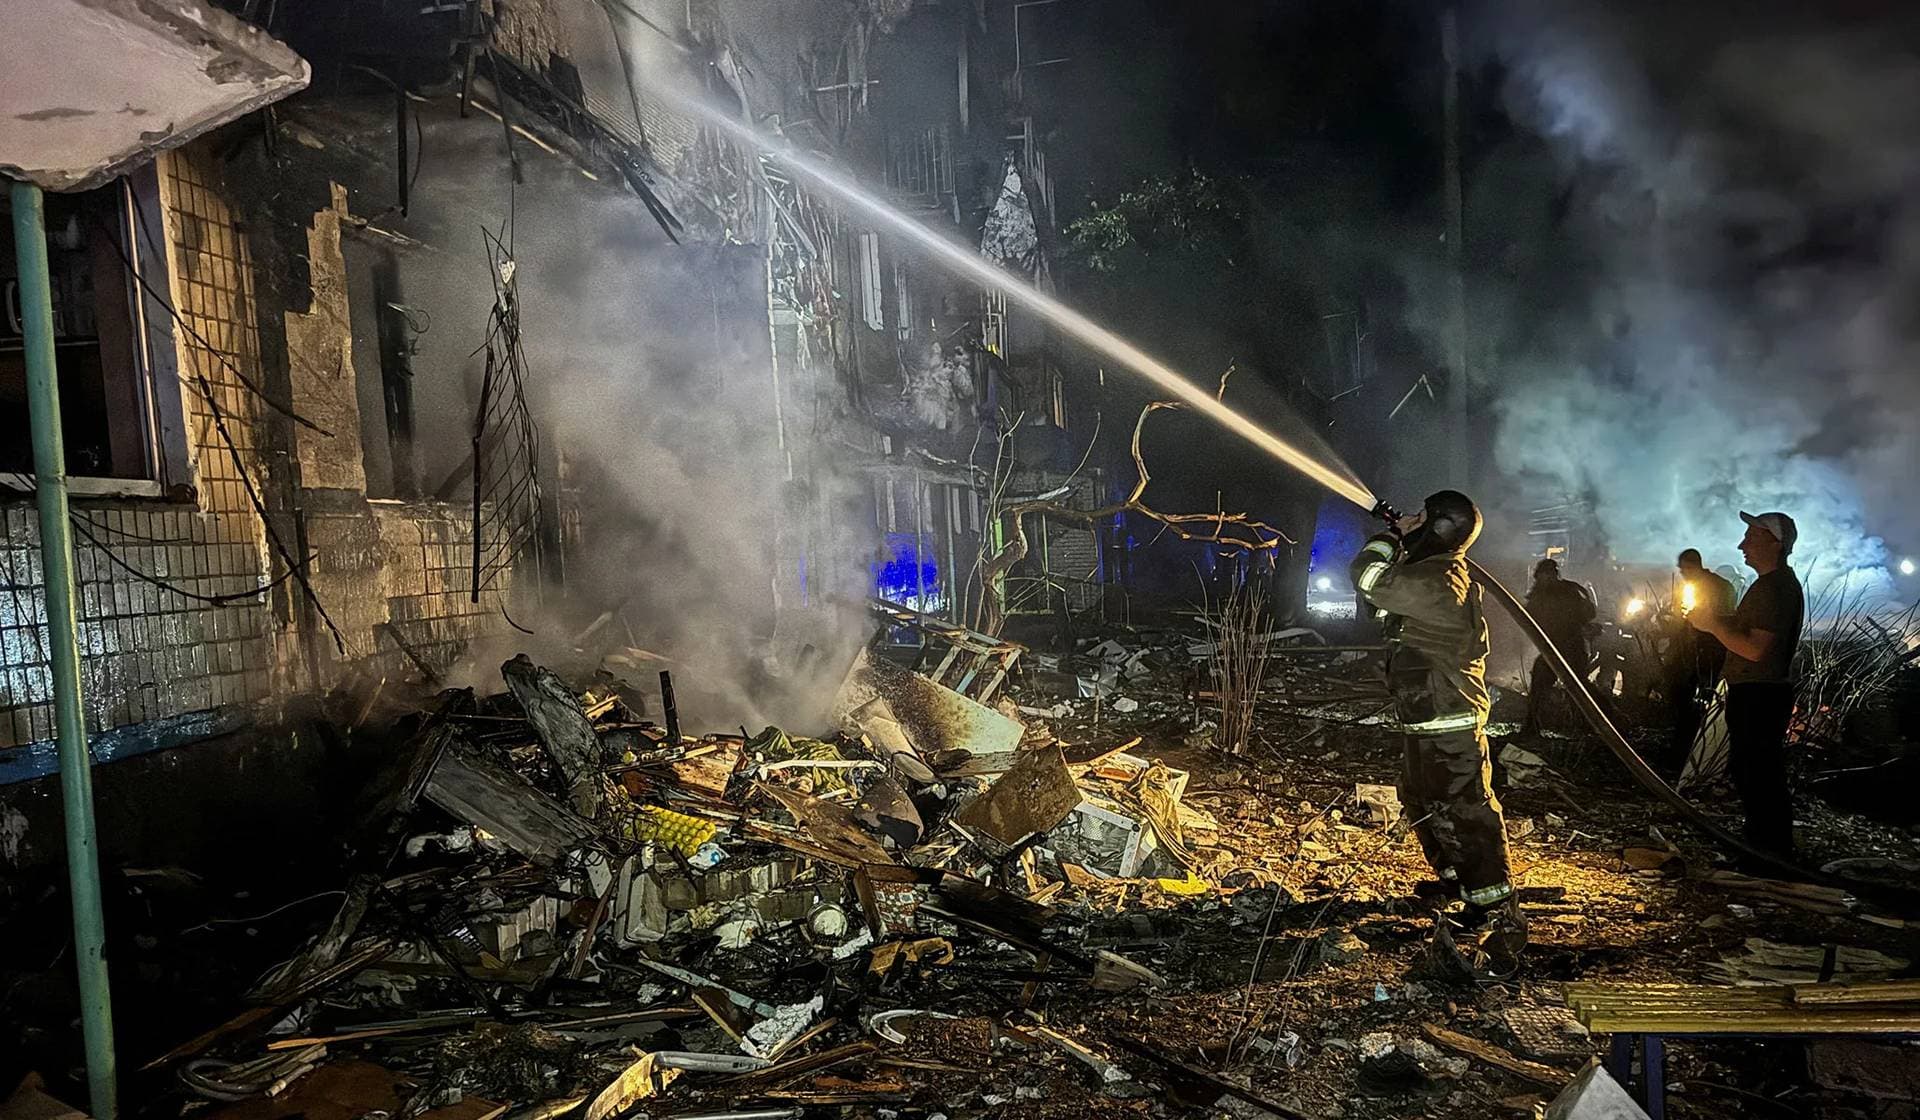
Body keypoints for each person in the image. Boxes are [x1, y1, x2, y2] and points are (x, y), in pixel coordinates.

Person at [1352, 490, 1524, 978]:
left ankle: (1492, 902)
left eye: (1421, 517)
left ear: (1440, 527)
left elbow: (1366, 578)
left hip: (1448, 716)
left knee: (1466, 807)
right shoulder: (1432, 574)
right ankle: (1457, 878)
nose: (1413, 521)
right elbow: (1386, 609)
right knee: (1421, 799)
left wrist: (1388, 536)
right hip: (1426, 715)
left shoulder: (1440, 578)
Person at [1688, 512, 1804, 857]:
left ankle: (1769, 854)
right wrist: (1713, 620)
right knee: (1752, 771)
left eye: (1751, 537)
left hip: (1760, 694)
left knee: (1760, 775)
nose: (1742, 545)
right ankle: (1762, 846)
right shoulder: (1769, 585)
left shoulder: (1774, 588)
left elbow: (1754, 648)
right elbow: (1747, 628)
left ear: (1776, 543)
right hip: (1757, 692)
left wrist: (1712, 625)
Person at [1666, 549, 1738, 764]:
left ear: (1696, 565)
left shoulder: (1720, 586)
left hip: (1710, 651)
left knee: (1704, 700)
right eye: (1681, 570)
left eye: (1686, 568)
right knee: (1681, 698)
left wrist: (1704, 620)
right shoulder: (1687, 588)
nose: (1683, 573)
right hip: (1686, 651)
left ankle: (1697, 751)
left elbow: (1726, 618)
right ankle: (1680, 748)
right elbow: (1681, 619)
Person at [1521, 558, 1598, 735]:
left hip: (1573, 647)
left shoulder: (1571, 590)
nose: (1546, 578)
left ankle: (1594, 724)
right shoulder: (1537, 595)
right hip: (1551, 649)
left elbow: (1589, 614)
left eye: (1549, 574)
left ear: (1555, 574)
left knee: (1578, 687)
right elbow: (1529, 618)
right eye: (1543, 575)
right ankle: (1531, 726)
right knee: (1539, 685)